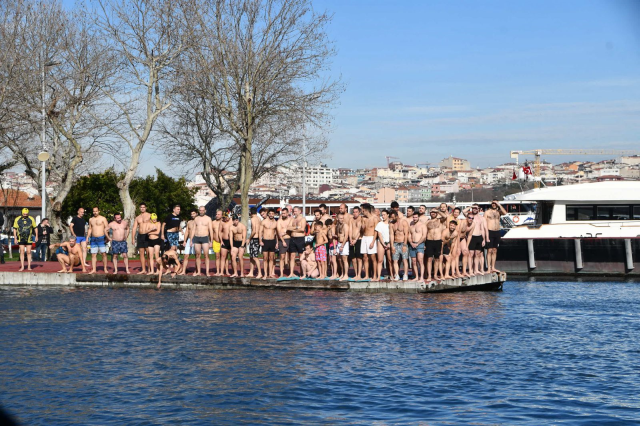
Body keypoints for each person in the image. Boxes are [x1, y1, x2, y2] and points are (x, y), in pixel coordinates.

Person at [425, 208, 447, 281]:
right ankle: (429, 276)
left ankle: (435, 275)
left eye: (434, 212)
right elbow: (425, 233)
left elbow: (445, 216)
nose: (433, 213)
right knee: (429, 259)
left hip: (438, 241)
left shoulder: (440, 220)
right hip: (429, 241)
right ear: (430, 213)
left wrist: (437, 211)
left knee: (437, 259)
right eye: (432, 212)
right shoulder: (427, 222)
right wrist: (425, 243)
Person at [485, 199, 507, 273]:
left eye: (495, 203)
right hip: (489, 231)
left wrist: (499, 205)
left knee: (494, 250)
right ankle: (488, 268)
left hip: (497, 231)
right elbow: (484, 222)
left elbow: (505, 213)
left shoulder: (499, 212)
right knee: (489, 250)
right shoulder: (487, 212)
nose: (494, 204)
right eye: (493, 203)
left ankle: (493, 267)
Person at [467, 205, 489, 275]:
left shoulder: (481, 218)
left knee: (477, 254)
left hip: (479, 237)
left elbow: (482, 229)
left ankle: (476, 270)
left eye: (476, 208)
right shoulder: (469, 217)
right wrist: (471, 206)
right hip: (472, 236)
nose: (475, 209)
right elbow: (463, 211)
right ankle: (470, 270)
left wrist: (484, 239)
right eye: (473, 208)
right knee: (471, 254)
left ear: (479, 209)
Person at [193, 206, 214, 276]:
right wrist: (191, 239)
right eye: (200, 210)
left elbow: (211, 230)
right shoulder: (196, 219)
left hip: (205, 237)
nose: (201, 211)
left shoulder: (208, 219)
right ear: (199, 211)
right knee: (197, 255)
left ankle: (207, 272)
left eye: (202, 210)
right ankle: (198, 271)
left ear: (205, 211)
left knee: (206, 255)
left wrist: (211, 241)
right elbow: (193, 229)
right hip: (197, 237)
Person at [286, 206, 306, 278]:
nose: (294, 212)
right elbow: (288, 227)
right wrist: (297, 228)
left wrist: (293, 228)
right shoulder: (292, 219)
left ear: (300, 211)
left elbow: (302, 229)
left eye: (296, 211)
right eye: (294, 211)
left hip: (300, 238)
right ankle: (291, 273)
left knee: (301, 256)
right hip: (293, 238)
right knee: (292, 256)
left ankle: (302, 273)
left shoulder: (302, 219)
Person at [359, 204, 377, 280]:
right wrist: (362, 228)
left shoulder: (374, 218)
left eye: (362, 210)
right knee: (365, 257)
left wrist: (373, 241)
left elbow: (376, 231)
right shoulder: (363, 219)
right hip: (364, 238)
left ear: (366, 210)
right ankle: (366, 275)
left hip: (371, 237)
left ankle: (375, 275)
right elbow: (362, 230)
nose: (362, 212)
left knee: (373, 257)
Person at [390, 210, 409, 281]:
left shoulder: (403, 222)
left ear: (397, 216)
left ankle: (405, 274)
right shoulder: (391, 224)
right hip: (395, 243)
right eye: (391, 217)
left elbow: (406, 234)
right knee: (395, 260)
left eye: (393, 217)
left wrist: (404, 244)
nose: (392, 219)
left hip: (402, 243)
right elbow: (391, 235)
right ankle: (397, 275)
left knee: (404, 259)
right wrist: (392, 246)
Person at [132, 203, 151, 274]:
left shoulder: (149, 215)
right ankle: (143, 269)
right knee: (141, 253)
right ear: (139, 208)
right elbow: (134, 228)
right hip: (140, 235)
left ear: (146, 208)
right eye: (141, 207)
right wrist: (133, 238)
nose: (142, 208)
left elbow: (154, 224)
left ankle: (149, 269)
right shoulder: (137, 218)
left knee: (149, 253)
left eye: (144, 207)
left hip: (147, 235)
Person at [375, 209, 393, 281]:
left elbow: (392, 234)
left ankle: (392, 275)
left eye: (384, 215)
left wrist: (389, 244)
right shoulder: (380, 224)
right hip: (381, 243)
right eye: (382, 215)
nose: (383, 216)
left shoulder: (391, 224)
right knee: (380, 260)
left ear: (388, 215)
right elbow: (379, 235)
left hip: (389, 242)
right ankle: (378, 276)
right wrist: (383, 244)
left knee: (390, 260)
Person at [259, 208, 278, 278]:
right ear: (268, 214)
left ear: (274, 214)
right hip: (265, 241)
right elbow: (260, 232)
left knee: (271, 258)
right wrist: (260, 241)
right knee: (265, 258)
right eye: (270, 213)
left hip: (272, 241)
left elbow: (277, 234)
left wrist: (277, 243)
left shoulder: (276, 223)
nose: (271, 215)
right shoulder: (263, 222)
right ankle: (265, 274)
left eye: (272, 214)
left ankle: (270, 273)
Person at [408, 212, 426, 282]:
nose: (414, 219)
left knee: (420, 261)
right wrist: (411, 242)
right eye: (414, 217)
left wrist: (418, 243)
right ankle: (416, 276)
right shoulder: (411, 225)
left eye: (416, 217)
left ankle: (421, 277)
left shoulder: (422, 225)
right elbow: (409, 235)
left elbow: (424, 236)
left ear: (418, 217)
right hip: (412, 244)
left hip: (420, 244)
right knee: (414, 261)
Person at [179, 210, 198, 275]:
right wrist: (184, 240)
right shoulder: (189, 222)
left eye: (193, 213)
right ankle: (183, 271)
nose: (192, 215)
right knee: (186, 255)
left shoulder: (199, 221)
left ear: (196, 214)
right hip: (189, 239)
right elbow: (187, 231)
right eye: (191, 214)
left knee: (196, 256)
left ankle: (196, 271)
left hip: (196, 239)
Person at [348, 206, 363, 279]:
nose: (355, 213)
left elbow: (360, 231)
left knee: (359, 258)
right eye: (353, 212)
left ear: (359, 212)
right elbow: (350, 230)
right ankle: (356, 274)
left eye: (356, 212)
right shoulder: (351, 220)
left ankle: (359, 275)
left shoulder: (361, 219)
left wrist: (356, 240)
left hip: (359, 239)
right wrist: (350, 239)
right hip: (352, 240)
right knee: (353, 258)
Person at [276, 208, 292, 278]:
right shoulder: (279, 221)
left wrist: (285, 231)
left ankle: (291, 273)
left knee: (292, 256)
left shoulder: (291, 220)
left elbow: (291, 228)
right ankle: (281, 273)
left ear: (288, 213)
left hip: (290, 239)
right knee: (282, 257)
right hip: (283, 240)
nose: (283, 215)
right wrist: (283, 241)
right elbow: (279, 232)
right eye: (282, 213)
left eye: (285, 213)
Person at [248, 208, 262, 278]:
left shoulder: (253, 219)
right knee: (251, 257)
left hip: (254, 238)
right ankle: (251, 272)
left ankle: (260, 273)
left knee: (255, 257)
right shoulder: (259, 218)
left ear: (250, 213)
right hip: (256, 238)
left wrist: (249, 239)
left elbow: (254, 231)